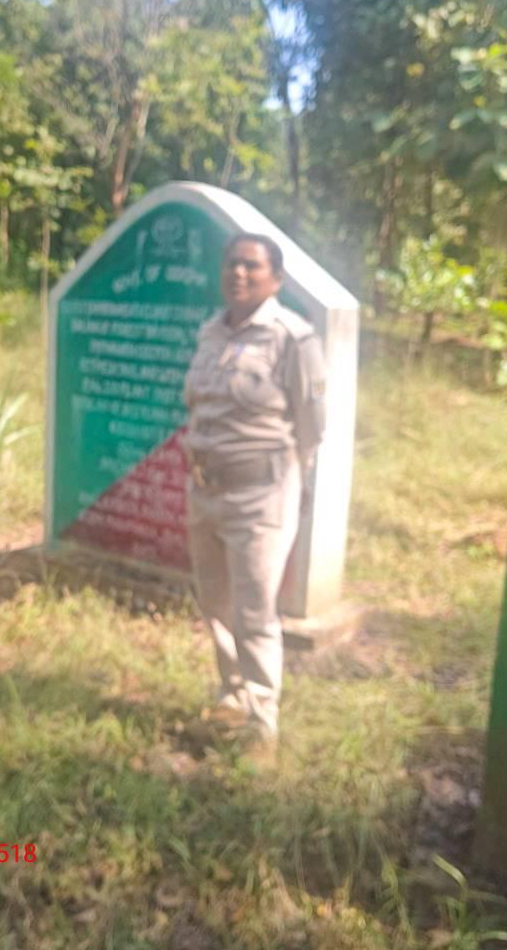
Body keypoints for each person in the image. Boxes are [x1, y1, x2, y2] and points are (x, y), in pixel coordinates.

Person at [183, 232, 326, 756]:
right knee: (215, 602)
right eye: (231, 264)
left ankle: (262, 722)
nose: (238, 273)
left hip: (260, 493)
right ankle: (232, 696)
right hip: (205, 489)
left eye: (251, 266)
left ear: (276, 279)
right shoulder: (210, 333)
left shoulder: (293, 339)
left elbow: (311, 425)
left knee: (256, 609)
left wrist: (292, 481)